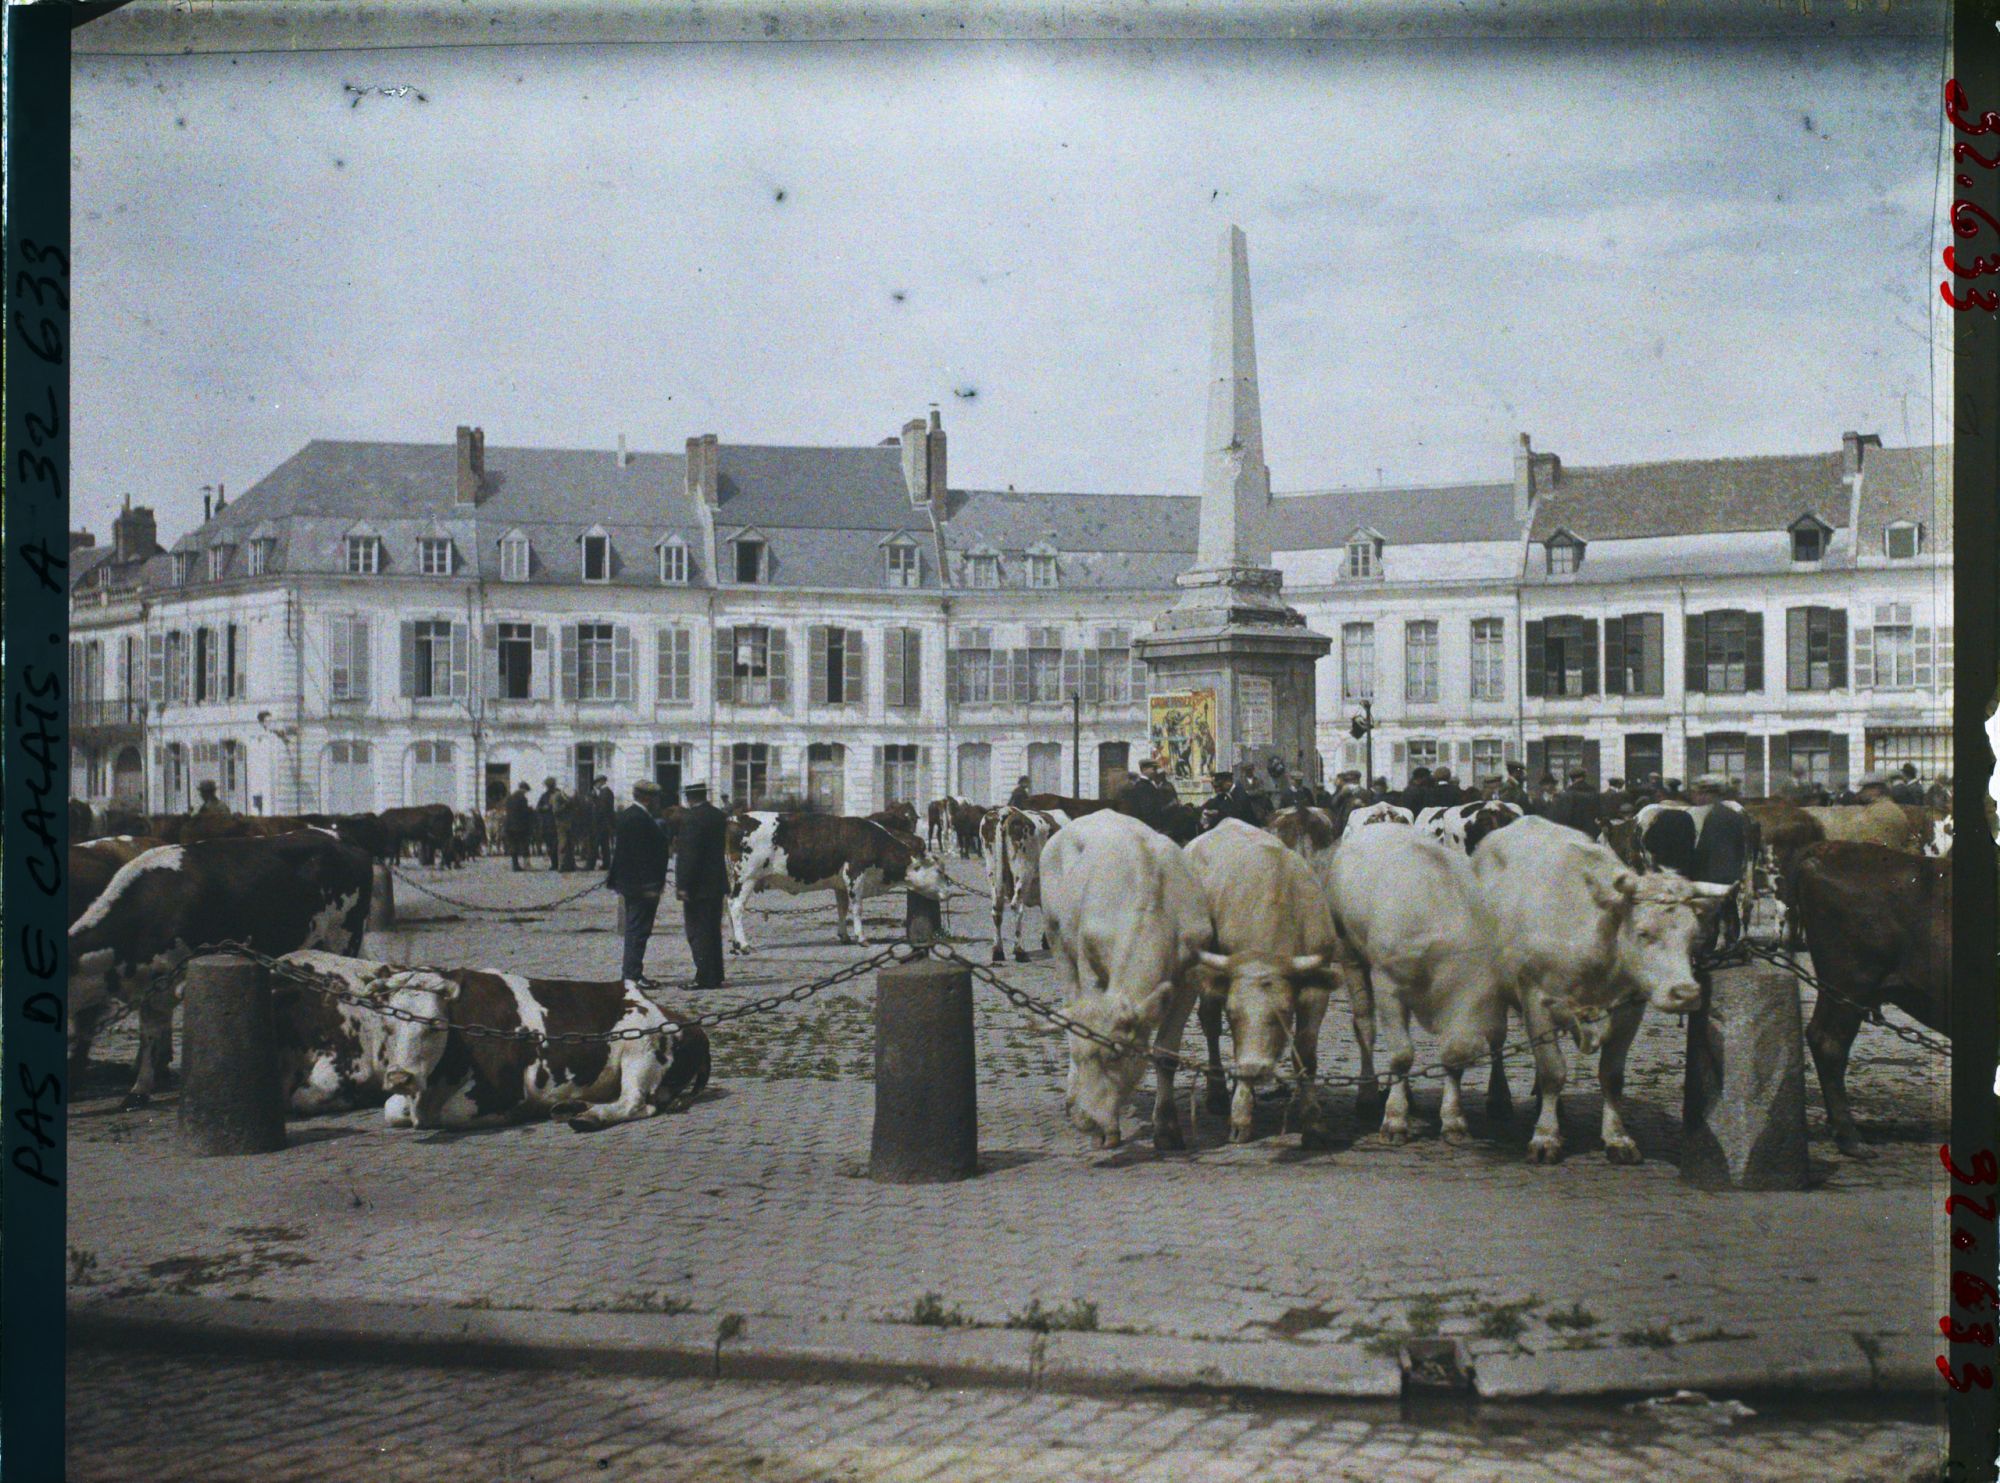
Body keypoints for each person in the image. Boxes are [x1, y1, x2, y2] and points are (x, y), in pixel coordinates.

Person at [607, 779, 671, 986]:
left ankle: (631, 972)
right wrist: (650, 887)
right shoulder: (639, 819)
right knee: (638, 930)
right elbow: (641, 856)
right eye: (655, 798)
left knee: (635, 929)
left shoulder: (630, 815)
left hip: (632, 883)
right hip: (642, 886)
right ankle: (632, 975)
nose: (658, 801)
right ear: (647, 798)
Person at [675, 781, 730, 989]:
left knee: (697, 933)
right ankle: (716, 974)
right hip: (716, 882)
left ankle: (704, 977)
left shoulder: (691, 819)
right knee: (713, 932)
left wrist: (683, 886)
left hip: (697, 886)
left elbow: (689, 856)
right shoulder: (717, 815)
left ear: (689, 798)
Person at [1688, 774, 1751, 946]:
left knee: (1711, 912)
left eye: (1701, 794)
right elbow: (1741, 846)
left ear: (1710, 795)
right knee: (1729, 909)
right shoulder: (1733, 815)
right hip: (1732, 872)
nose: (1698, 798)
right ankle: (1731, 941)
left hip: (1712, 874)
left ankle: (1713, 943)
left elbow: (1703, 848)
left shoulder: (1708, 816)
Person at [1541, 769, 1601, 837]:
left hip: (1574, 833)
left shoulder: (1567, 795)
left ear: (1572, 779)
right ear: (1584, 777)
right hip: (1592, 832)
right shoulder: (1594, 793)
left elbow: (1563, 817)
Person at [503, 780, 535, 871]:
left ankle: (515, 865)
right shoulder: (522, 799)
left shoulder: (509, 798)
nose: (526, 793)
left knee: (513, 845)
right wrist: (530, 810)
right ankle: (526, 864)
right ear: (523, 789)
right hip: (520, 826)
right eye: (526, 791)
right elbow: (524, 812)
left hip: (509, 825)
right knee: (525, 844)